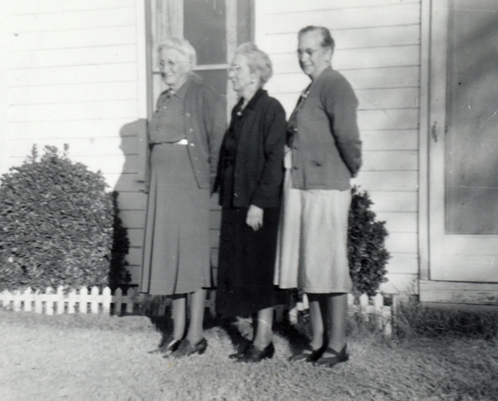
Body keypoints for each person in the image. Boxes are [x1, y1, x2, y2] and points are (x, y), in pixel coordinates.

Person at [275, 26, 362, 367]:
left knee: (328, 264)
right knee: (311, 265)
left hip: (326, 187)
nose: (303, 57)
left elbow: (349, 138)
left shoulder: (335, 85)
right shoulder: (309, 91)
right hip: (302, 186)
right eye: (300, 51)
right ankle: (317, 339)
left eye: (310, 51)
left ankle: (337, 344)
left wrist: (347, 170)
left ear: (328, 52)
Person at [141, 37, 226, 358]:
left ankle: (195, 335)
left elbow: (218, 143)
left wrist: (210, 182)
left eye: (172, 63)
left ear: (189, 64)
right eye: (162, 63)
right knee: (171, 257)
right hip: (164, 187)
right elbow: (153, 146)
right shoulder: (163, 98)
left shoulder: (205, 95)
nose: (166, 69)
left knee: (190, 259)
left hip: (190, 184)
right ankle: (176, 333)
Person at [214, 43, 287, 362]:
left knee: (258, 272)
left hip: (257, 206)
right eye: (231, 68)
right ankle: (259, 338)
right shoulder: (239, 110)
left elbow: (274, 162)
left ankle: (262, 341)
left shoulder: (271, 109)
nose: (231, 74)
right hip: (236, 202)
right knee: (244, 271)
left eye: (237, 68)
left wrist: (259, 203)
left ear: (255, 74)